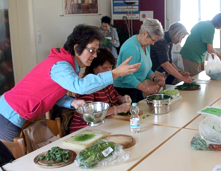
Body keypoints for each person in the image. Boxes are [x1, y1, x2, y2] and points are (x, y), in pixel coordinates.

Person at [0, 24, 140, 142]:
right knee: (9, 163)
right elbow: (80, 86)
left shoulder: (68, 65)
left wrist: (71, 102)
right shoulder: (60, 65)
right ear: (76, 48)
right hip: (9, 114)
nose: (95, 55)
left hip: (16, 113)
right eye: (91, 50)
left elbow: (53, 92)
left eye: (96, 51)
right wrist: (115, 73)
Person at [70, 48, 132, 133]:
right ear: (94, 67)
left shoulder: (106, 80)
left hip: (106, 124)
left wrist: (122, 99)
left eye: (111, 67)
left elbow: (115, 95)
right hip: (85, 129)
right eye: (105, 68)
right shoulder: (88, 84)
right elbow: (90, 114)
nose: (109, 71)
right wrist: (117, 109)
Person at [114, 19, 165, 102]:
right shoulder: (132, 48)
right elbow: (126, 77)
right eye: (153, 40)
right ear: (145, 33)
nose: (153, 43)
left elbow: (146, 69)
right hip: (125, 90)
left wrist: (155, 78)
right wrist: (147, 88)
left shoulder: (145, 45)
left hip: (136, 88)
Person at [179, 12, 221, 77]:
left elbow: (209, 46)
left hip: (191, 54)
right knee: (193, 79)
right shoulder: (209, 28)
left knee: (195, 77)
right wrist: (219, 63)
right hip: (191, 55)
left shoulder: (207, 24)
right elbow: (210, 50)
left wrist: (219, 56)